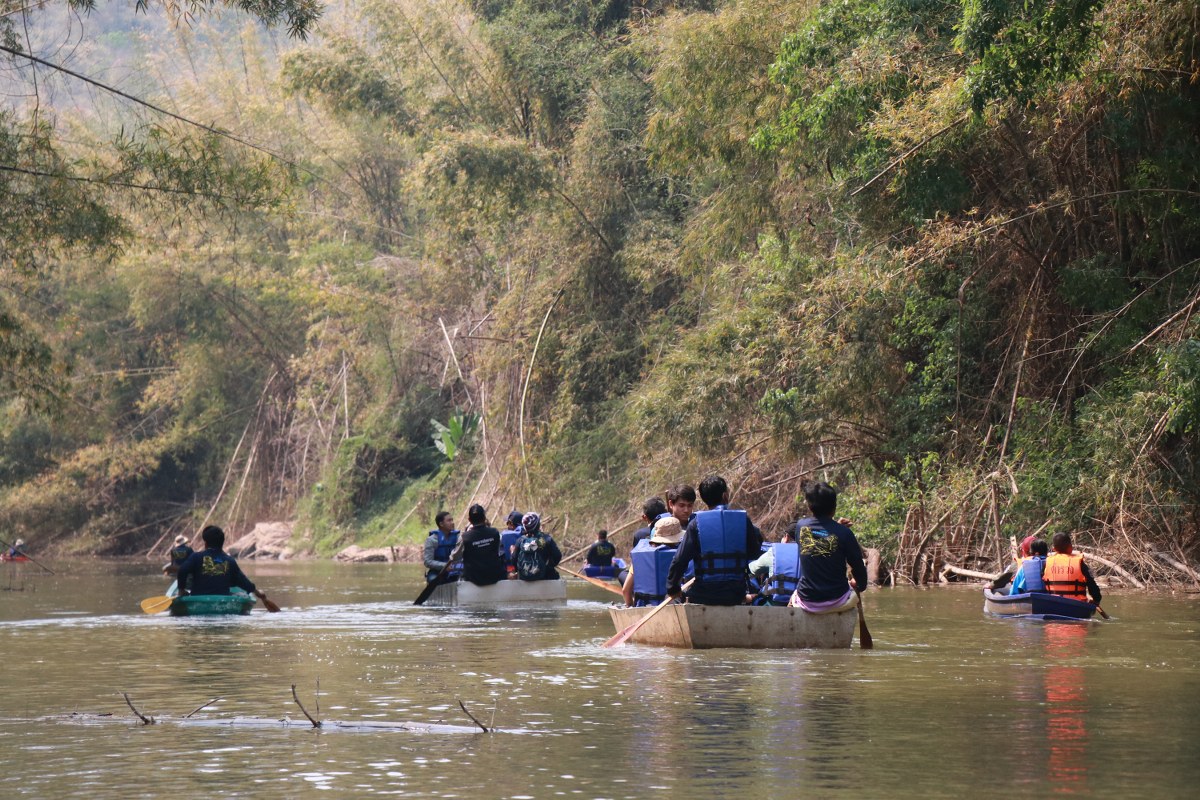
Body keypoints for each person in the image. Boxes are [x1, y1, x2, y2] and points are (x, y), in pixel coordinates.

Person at [667, 475, 763, 606]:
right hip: (735, 593)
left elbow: (679, 560)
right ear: (725, 495)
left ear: (704, 499)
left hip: (705, 593)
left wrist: (673, 588)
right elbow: (754, 553)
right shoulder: (743, 520)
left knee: (688, 595)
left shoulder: (696, 524)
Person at [791, 481, 868, 612]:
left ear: (810, 507)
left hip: (807, 600)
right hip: (837, 600)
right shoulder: (844, 533)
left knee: (793, 596)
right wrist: (858, 585)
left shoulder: (801, 526)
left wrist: (835, 528)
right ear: (834, 507)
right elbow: (859, 569)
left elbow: (816, 540)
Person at [174, 525, 270, 604]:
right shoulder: (230, 561)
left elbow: (182, 570)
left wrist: (181, 590)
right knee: (242, 595)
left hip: (198, 599)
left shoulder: (196, 557)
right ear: (222, 543)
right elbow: (243, 581)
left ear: (206, 544)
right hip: (222, 601)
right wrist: (258, 593)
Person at [623, 515, 685, 606]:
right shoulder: (683, 555)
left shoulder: (642, 557)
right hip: (675, 604)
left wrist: (630, 607)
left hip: (645, 607)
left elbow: (625, 590)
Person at [450, 504, 506, 586]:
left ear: (469, 520)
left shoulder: (464, 537)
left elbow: (455, 558)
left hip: (473, 578)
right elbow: (498, 551)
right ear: (484, 518)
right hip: (495, 576)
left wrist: (451, 555)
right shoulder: (495, 532)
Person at [1044, 532, 1102, 605]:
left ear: (1054, 549)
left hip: (1052, 603)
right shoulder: (1080, 563)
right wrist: (1096, 600)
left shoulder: (1047, 562)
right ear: (1070, 547)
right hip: (1076, 605)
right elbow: (1092, 585)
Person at [748, 530, 800, 605]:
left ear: (786, 537)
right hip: (800, 603)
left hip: (775, 604)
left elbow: (753, 569)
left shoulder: (774, 552)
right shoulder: (809, 555)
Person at [515, 513, 562, 581]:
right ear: (538, 524)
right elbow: (557, 556)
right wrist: (548, 566)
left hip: (523, 577)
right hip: (543, 576)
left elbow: (513, 559)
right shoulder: (546, 539)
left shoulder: (520, 541)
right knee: (555, 575)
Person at [423, 511, 461, 584]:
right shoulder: (431, 540)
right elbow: (427, 562)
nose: (452, 522)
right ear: (441, 524)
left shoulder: (458, 537)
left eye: (452, 520)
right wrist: (445, 566)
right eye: (449, 520)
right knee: (433, 580)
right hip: (437, 571)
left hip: (455, 570)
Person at [500, 510, 524, 578]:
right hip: (526, 574)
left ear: (511, 524)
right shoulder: (529, 535)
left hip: (508, 575)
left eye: (508, 523)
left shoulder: (503, 536)